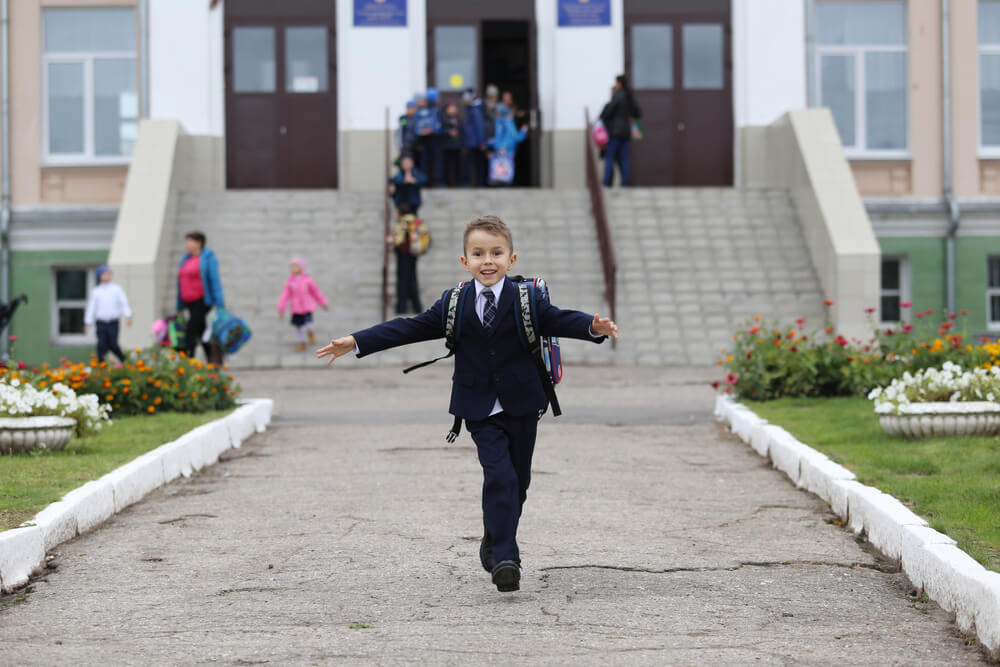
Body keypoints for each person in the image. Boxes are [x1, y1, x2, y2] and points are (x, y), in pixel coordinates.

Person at [316, 216, 618, 593]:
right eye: (478, 254)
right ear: (464, 261)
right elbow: (410, 327)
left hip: (523, 403)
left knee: (518, 482)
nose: (487, 261)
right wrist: (358, 341)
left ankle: (493, 540)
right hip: (478, 407)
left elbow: (558, 319)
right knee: (500, 476)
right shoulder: (454, 303)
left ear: (511, 258)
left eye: (496, 253)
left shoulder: (526, 299)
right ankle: (507, 558)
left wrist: (593, 327)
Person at [176, 231, 225, 362]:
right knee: (201, 332)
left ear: (199, 243)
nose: (187, 245)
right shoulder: (185, 260)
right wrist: (179, 305)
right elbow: (180, 283)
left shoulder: (208, 259)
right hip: (188, 302)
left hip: (202, 301)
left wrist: (220, 304)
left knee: (190, 331)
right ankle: (213, 361)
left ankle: (188, 363)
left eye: (189, 241)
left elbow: (215, 281)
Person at [278, 257, 329, 352]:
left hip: (307, 308)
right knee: (298, 326)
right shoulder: (290, 282)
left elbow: (316, 292)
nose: (293, 268)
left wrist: (323, 303)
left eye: (295, 266)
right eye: (291, 266)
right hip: (296, 309)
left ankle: (311, 332)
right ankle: (301, 341)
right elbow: (285, 295)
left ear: (301, 267)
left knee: (308, 323)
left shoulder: (307, 280)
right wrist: (281, 307)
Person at [83, 264, 132, 363]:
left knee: (113, 344)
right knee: (101, 345)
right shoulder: (96, 291)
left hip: (113, 322)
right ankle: (102, 367)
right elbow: (91, 308)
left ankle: (125, 360)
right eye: (105, 274)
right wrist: (87, 322)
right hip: (101, 322)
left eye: (109, 274)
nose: (107, 276)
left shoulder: (116, 289)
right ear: (100, 276)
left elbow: (124, 303)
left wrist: (128, 315)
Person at [599, 74, 641, 187]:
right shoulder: (630, 97)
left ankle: (606, 183)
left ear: (619, 83)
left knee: (609, 157)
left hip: (616, 132)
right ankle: (624, 184)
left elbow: (607, 113)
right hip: (626, 133)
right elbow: (638, 113)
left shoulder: (618, 96)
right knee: (624, 159)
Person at [391, 203, 424, 314]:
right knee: (412, 279)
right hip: (413, 254)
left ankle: (402, 307)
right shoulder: (415, 221)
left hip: (403, 254)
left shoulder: (402, 222)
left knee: (402, 281)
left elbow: (398, 240)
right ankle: (417, 307)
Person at [488, 104, 528, 186]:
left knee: (503, 174)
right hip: (504, 152)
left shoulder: (507, 123)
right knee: (503, 175)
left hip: (506, 152)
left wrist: (523, 131)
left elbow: (515, 138)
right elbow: (505, 137)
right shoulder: (504, 123)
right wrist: (501, 148)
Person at [462, 89, 487, 187]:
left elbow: (479, 126)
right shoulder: (471, 109)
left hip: (475, 142)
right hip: (473, 141)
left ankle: (477, 183)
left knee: (476, 163)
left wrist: (481, 142)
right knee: (475, 162)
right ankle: (476, 182)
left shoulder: (474, 110)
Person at [441, 102, 463, 187]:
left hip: (457, 146)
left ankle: (458, 182)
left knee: (457, 164)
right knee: (447, 164)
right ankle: (447, 182)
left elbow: (462, 132)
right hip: (447, 145)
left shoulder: (459, 119)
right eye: (450, 108)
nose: (452, 109)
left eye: (454, 107)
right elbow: (440, 130)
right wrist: (448, 132)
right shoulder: (444, 118)